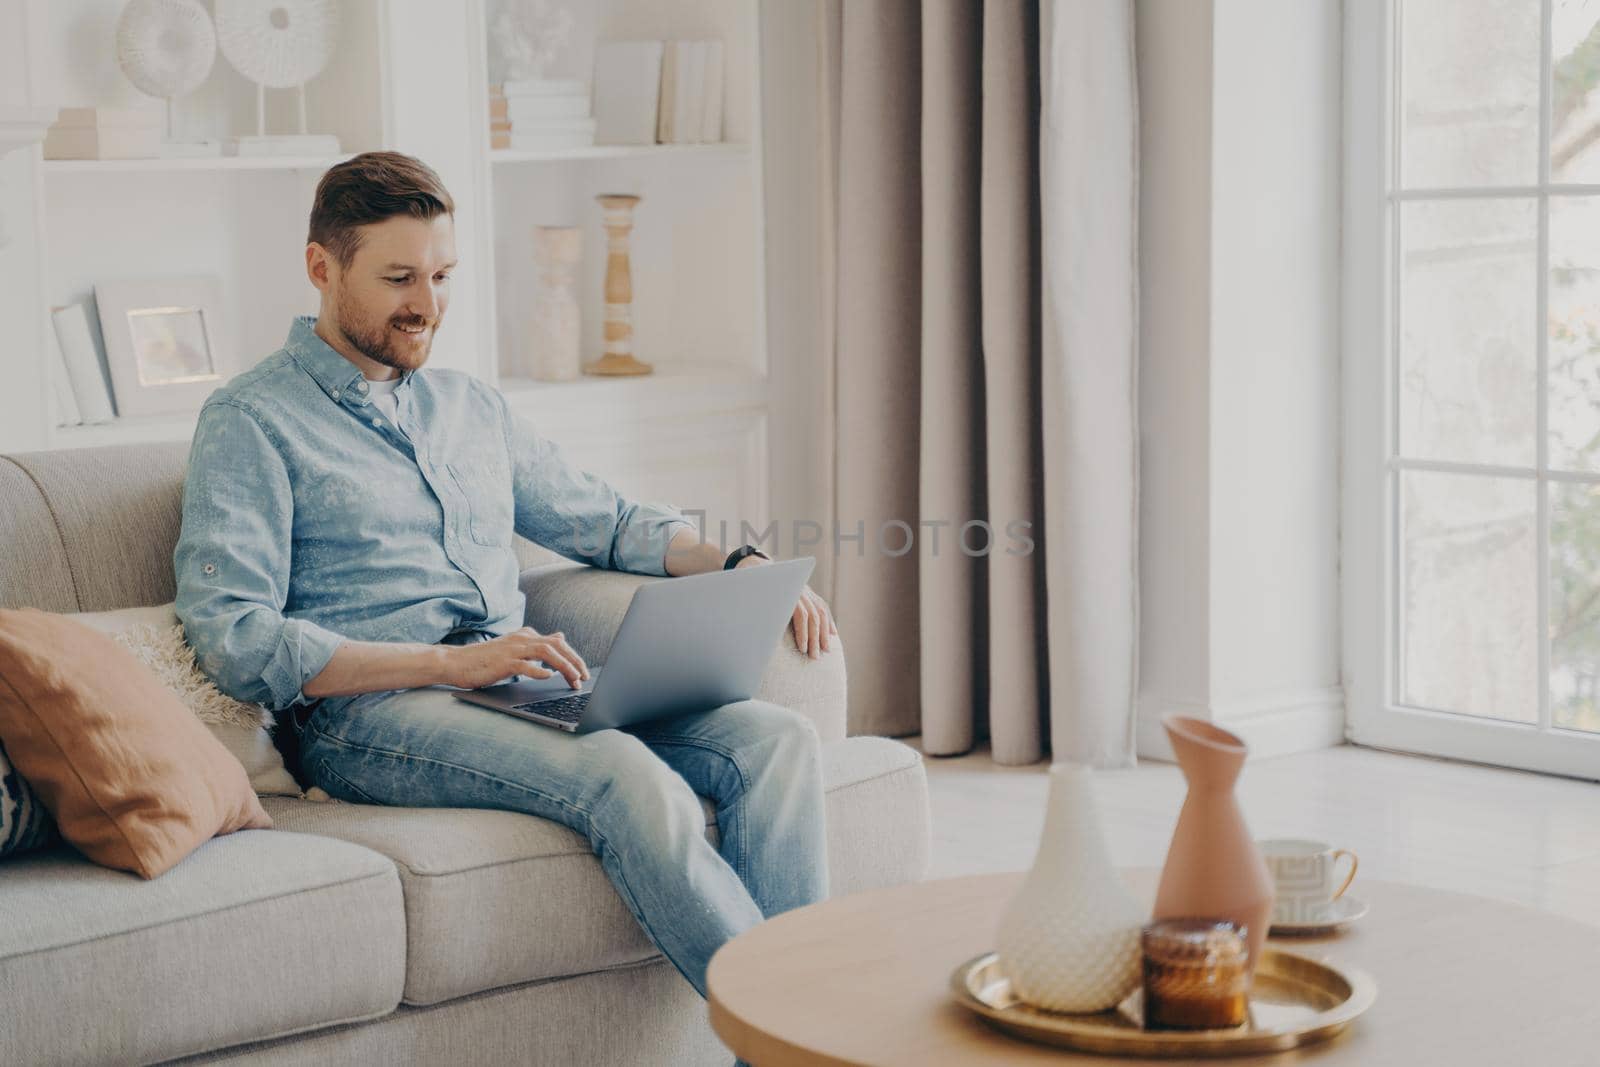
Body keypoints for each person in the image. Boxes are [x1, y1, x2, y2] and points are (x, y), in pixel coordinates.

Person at [174, 151, 836, 998]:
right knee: (625, 775)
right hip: (366, 716)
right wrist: (452, 664)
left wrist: (736, 562)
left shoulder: (469, 407)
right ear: (321, 267)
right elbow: (235, 638)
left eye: (443, 275)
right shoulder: (250, 421)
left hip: (512, 683)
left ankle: (788, 1036)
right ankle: (811, 1034)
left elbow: (605, 519)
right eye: (400, 278)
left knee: (776, 740)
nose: (428, 305)